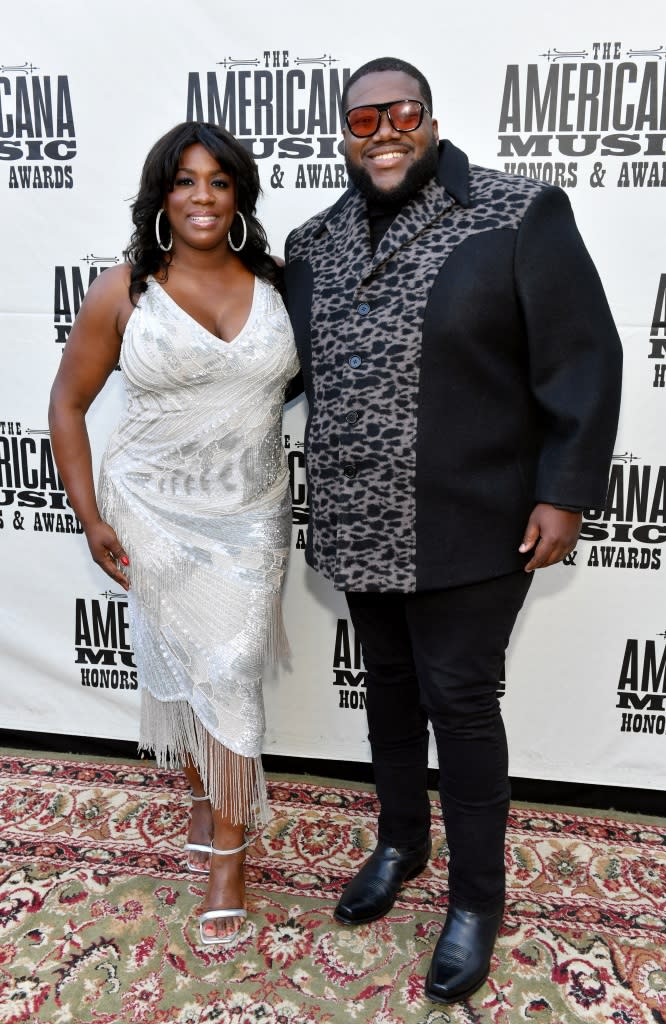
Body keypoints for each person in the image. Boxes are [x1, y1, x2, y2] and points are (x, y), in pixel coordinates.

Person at [284, 57, 621, 1003]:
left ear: (430, 119)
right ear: (342, 132)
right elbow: (275, 364)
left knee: (460, 706)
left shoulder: (519, 214)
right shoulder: (316, 241)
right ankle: (400, 842)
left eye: (403, 113)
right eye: (362, 119)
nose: (383, 130)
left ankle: (476, 897)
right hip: (357, 517)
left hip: (475, 523)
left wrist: (564, 492)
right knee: (387, 690)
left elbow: (583, 355)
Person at [49, 122, 299, 947]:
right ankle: (209, 801)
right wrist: (91, 516)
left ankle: (225, 853)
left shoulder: (281, 288)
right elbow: (68, 404)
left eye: (218, 182)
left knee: (227, 667)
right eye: (185, 181)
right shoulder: (124, 289)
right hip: (150, 511)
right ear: (162, 195)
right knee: (186, 664)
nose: (201, 197)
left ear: (239, 197)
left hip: (251, 513)